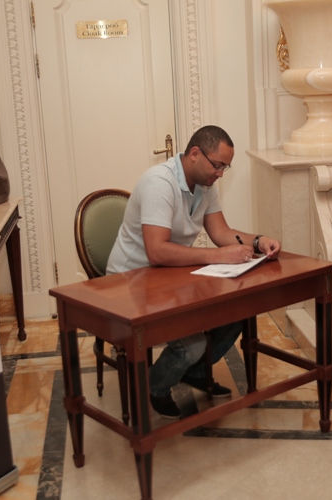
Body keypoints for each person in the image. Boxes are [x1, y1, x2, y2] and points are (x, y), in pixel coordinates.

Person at [106, 125, 281, 419]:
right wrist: (217, 255)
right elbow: (157, 251)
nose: (221, 174)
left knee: (236, 312)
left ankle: (194, 372)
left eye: (225, 167)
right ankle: (154, 386)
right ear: (195, 154)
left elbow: (221, 232)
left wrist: (258, 241)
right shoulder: (159, 183)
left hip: (168, 276)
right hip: (129, 282)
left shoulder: (205, 185)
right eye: (218, 165)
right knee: (192, 345)